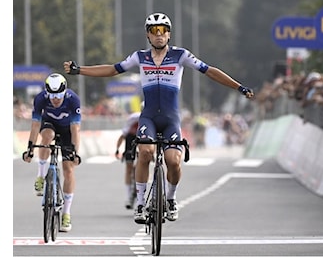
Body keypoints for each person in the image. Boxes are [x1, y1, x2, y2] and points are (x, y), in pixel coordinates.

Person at [63, 12, 254, 224]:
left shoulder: (181, 55)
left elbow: (210, 71)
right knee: (144, 152)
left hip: (171, 118)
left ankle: (171, 199)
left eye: (163, 30)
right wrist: (79, 70)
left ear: (169, 34)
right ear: (148, 35)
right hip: (149, 117)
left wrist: (239, 87)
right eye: (154, 31)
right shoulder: (139, 57)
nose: (159, 34)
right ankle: (141, 203)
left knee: (173, 161)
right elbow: (111, 69)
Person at [22, 73, 82, 232]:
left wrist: (75, 152)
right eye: (52, 96)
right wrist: (30, 149)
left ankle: (66, 214)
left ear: (65, 92)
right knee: (47, 136)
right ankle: (41, 176)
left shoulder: (73, 99)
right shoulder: (40, 98)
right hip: (49, 125)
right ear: (47, 92)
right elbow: (35, 126)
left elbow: (75, 129)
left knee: (68, 170)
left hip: (68, 129)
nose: (55, 99)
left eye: (59, 96)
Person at [115, 110, 141, 210]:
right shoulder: (133, 118)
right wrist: (117, 149)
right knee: (129, 167)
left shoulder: (151, 117)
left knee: (142, 164)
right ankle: (128, 195)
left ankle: (139, 189)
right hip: (131, 139)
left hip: (143, 138)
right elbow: (123, 136)